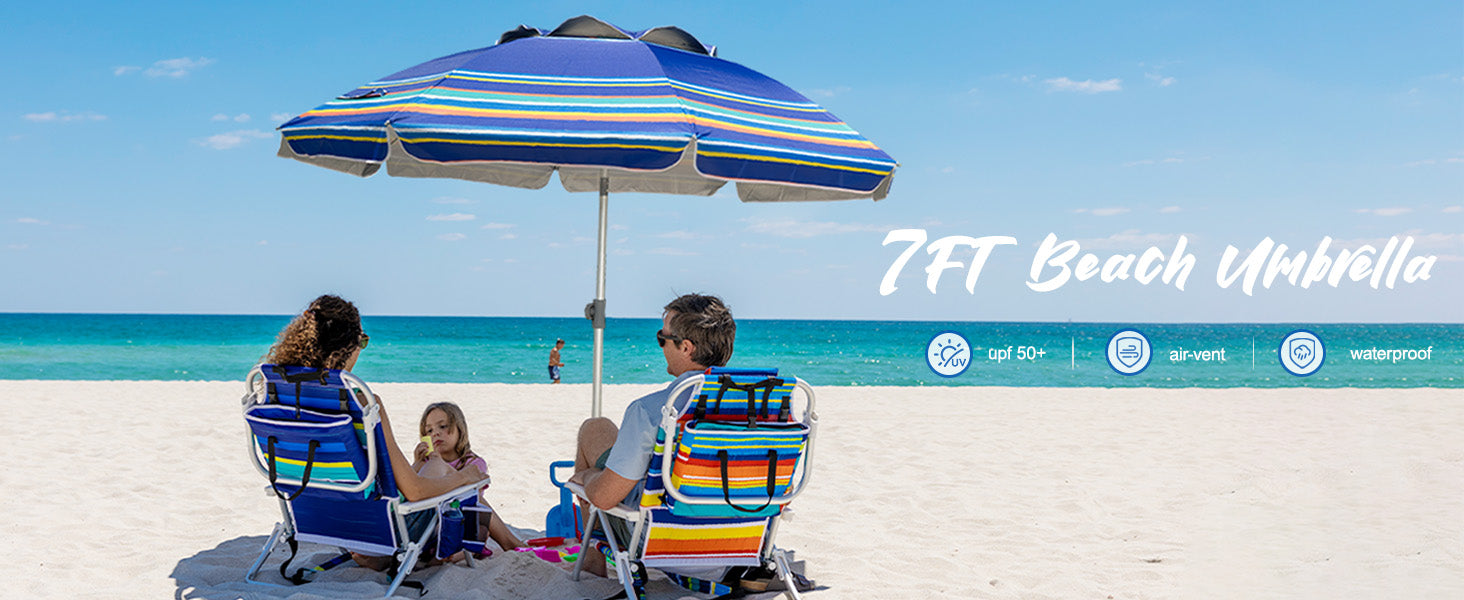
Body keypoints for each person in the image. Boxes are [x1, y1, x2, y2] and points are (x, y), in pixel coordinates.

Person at [263, 294, 488, 570]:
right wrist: (465, 477)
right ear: (347, 347)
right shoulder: (362, 402)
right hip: (379, 532)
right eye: (362, 342)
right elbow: (415, 491)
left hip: (321, 521)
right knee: (439, 469)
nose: (360, 351)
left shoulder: (278, 397)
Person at [567, 293, 736, 576]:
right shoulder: (766, 408)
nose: (659, 345)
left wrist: (587, 479)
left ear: (686, 347)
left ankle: (593, 565)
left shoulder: (652, 410)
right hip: (735, 545)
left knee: (594, 429)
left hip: (662, 543)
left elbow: (605, 498)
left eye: (663, 337)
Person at [413, 402, 524, 553]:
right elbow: (414, 489)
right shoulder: (427, 463)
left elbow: (471, 498)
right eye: (429, 430)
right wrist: (416, 463)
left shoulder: (474, 464)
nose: (435, 433)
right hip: (432, 524)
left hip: (461, 521)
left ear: (460, 428)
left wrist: (439, 464)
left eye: (443, 426)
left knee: (477, 525)